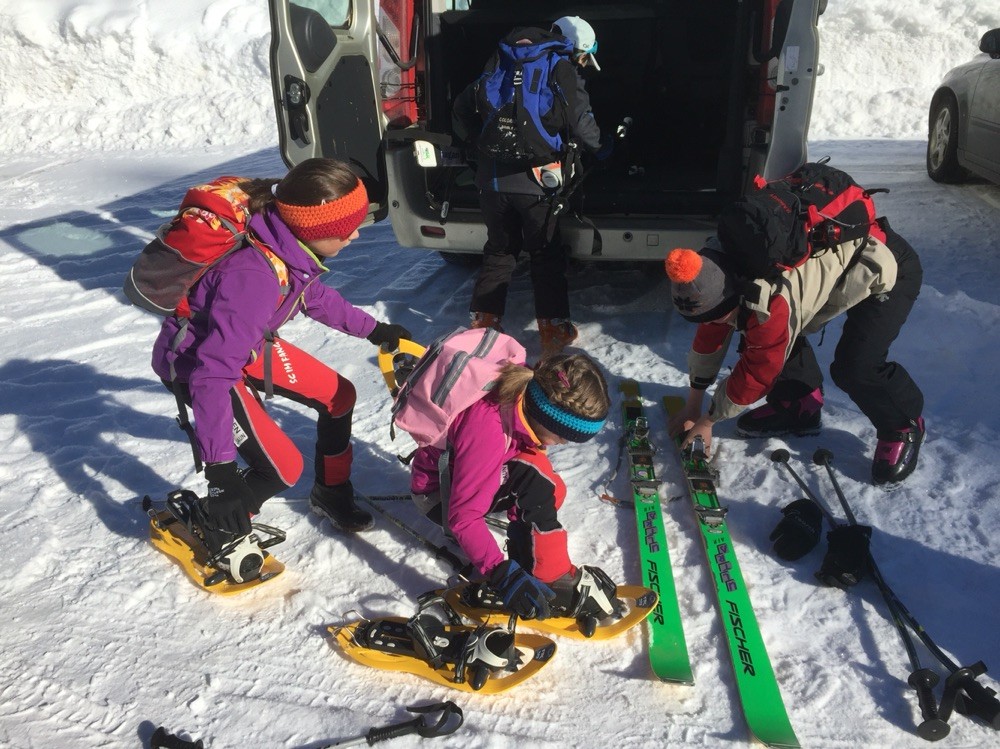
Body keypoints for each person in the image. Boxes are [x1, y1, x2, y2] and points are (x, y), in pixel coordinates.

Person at [150, 158, 411, 565]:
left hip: (243, 345)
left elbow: (312, 296)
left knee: (340, 396)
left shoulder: (287, 246)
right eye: (345, 230)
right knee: (282, 468)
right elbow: (212, 374)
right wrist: (220, 472)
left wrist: (373, 329)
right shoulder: (254, 276)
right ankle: (219, 525)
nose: (356, 235)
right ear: (314, 230)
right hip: (200, 365)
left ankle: (331, 491)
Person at [664, 218, 925, 486]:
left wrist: (707, 422)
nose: (715, 323)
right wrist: (693, 405)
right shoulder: (713, 276)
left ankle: (902, 424)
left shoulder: (769, 300)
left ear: (729, 296)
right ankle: (799, 404)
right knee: (756, 329)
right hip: (828, 263)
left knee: (855, 366)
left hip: (884, 261)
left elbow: (760, 369)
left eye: (717, 316)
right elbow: (710, 338)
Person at [409, 352, 616, 619]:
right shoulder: (488, 429)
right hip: (439, 496)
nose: (562, 444)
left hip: (460, 479)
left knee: (552, 487)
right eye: (562, 437)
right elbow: (463, 517)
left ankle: (530, 558)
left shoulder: (526, 392)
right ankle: (554, 579)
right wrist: (500, 573)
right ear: (545, 417)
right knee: (534, 476)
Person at [452, 15, 610, 358]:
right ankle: (553, 331)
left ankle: (484, 325)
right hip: (539, 181)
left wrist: (473, 145)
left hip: (491, 178)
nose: (581, 63)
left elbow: (462, 107)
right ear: (573, 47)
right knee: (545, 253)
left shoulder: (500, 59)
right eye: (583, 56)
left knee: (499, 250)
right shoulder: (561, 68)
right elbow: (581, 124)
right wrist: (602, 149)